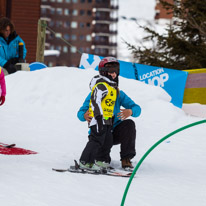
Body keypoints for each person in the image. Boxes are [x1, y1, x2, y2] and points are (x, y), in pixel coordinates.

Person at [78, 57, 141, 170]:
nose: (113, 74)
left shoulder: (118, 93)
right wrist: (84, 115)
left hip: (114, 130)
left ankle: (126, 159)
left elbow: (137, 108)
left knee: (129, 124)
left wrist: (131, 111)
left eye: (115, 71)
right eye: (110, 71)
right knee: (100, 153)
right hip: (99, 130)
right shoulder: (97, 90)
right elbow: (81, 112)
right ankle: (92, 161)